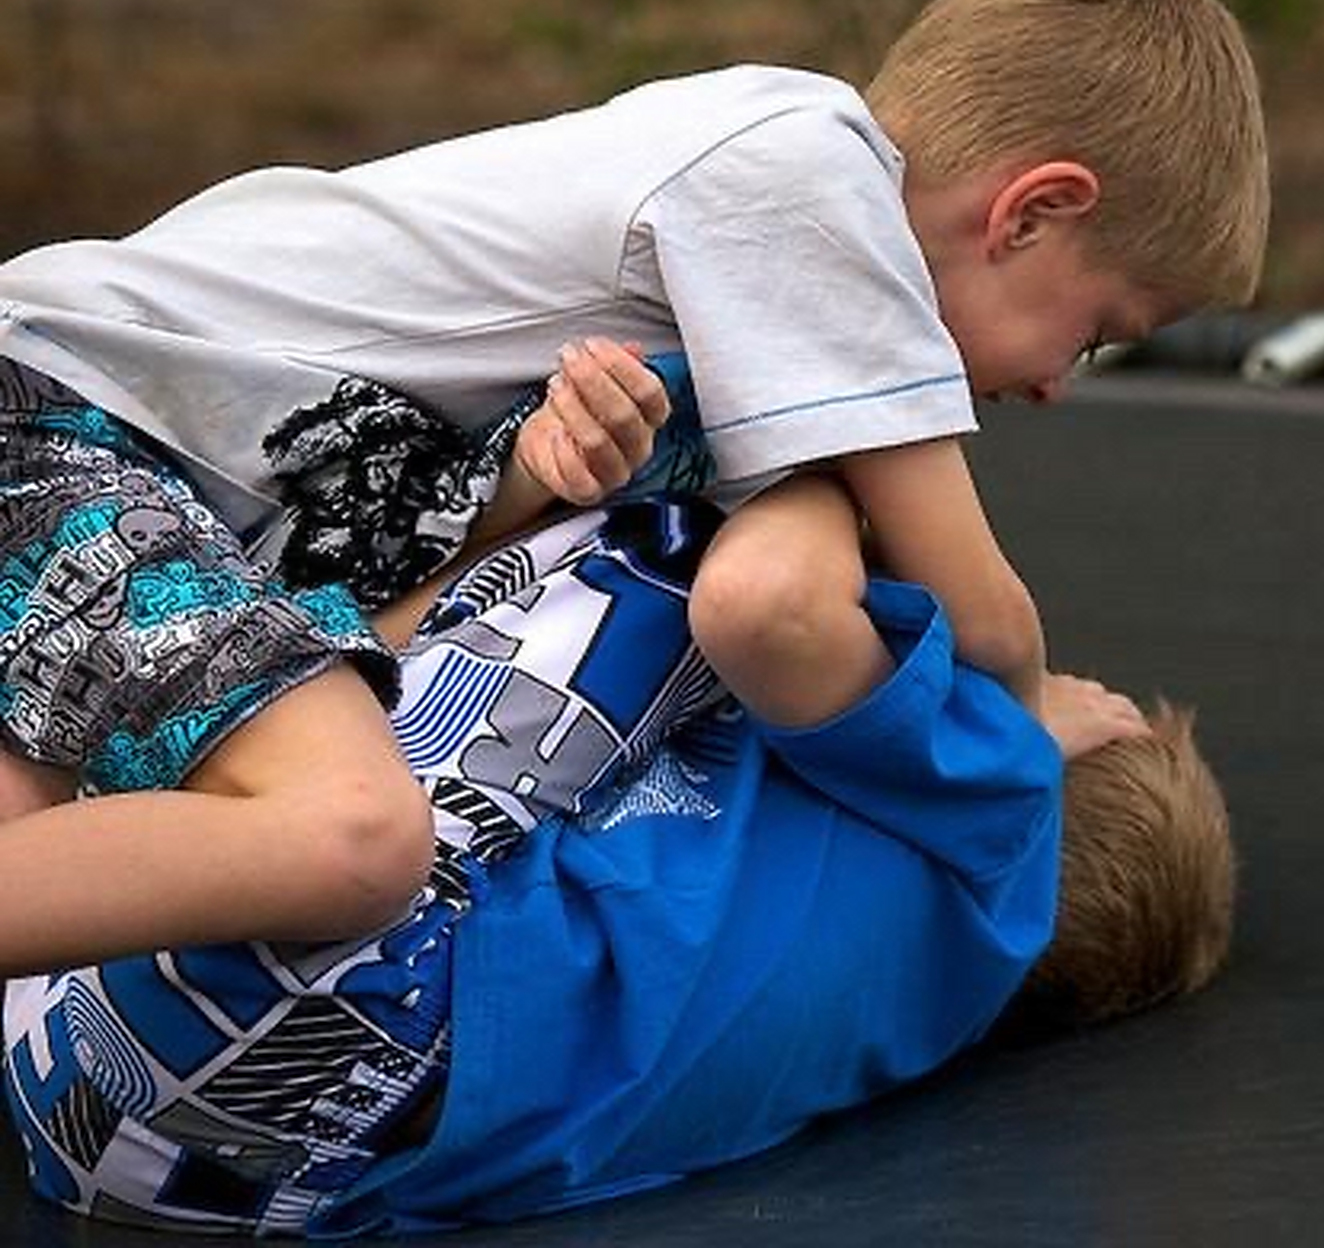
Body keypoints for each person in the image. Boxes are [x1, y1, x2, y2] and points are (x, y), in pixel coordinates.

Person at [0, 0, 1269, 977]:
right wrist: (1024, 709)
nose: (1056, 383)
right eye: (1093, 329)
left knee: (60, 840)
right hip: (71, 417)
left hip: (157, 481)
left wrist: (536, 479)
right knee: (352, 832)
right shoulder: (807, 174)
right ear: (1030, 211)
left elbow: (429, 529)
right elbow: (971, 595)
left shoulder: (739, 329)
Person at [3, 475, 1237, 1236]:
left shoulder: (1001, 816)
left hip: (363, 982)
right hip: (166, 1149)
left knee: (671, 539)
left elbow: (765, 601)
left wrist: (815, 448)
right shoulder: (921, 994)